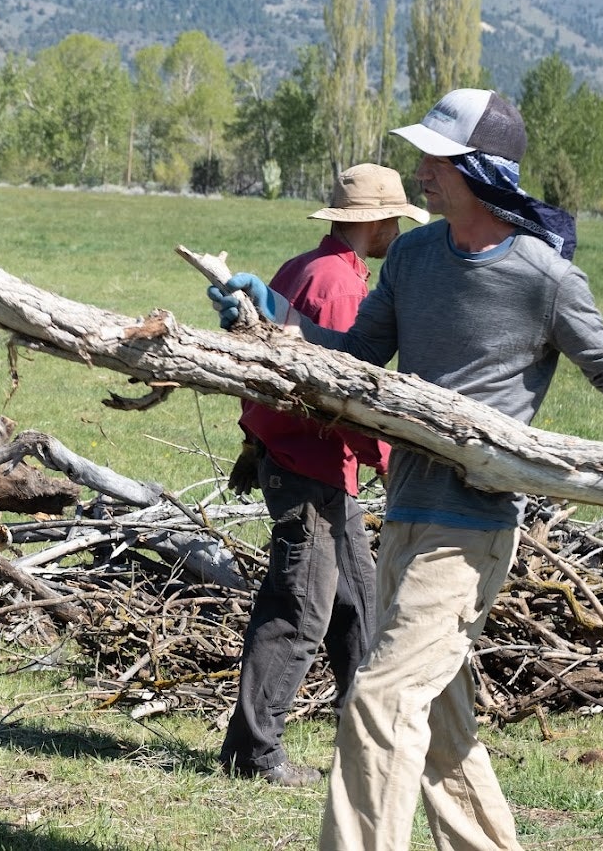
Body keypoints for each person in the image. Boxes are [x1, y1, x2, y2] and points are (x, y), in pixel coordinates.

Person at [210, 88, 603, 850]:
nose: (421, 171)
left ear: (481, 170)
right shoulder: (415, 256)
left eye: (437, 158)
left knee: (380, 699)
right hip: (403, 511)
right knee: (438, 725)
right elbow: (357, 361)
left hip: (473, 527)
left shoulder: (542, 276)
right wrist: (274, 320)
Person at [210, 163, 428, 787]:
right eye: (397, 220)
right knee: (299, 610)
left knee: (357, 606)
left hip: (309, 463)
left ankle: (372, 744)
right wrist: (390, 460)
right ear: (379, 220)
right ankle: (253, 754)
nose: (398, 232)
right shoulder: (339, 285)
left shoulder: (307, 267)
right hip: (312, 464)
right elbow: (340, 397)